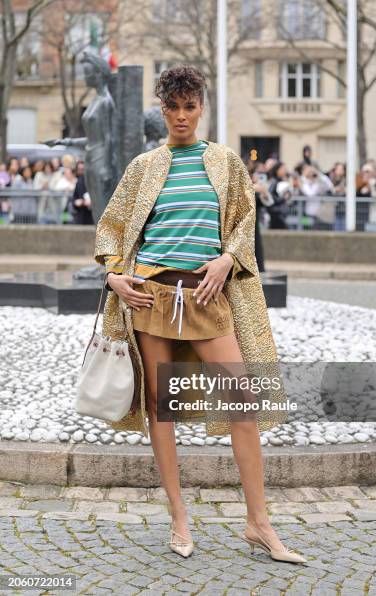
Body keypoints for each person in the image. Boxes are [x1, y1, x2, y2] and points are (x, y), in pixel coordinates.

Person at [94, 64, 306, 564]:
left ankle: (259, 523)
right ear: (162, 109)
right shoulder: (143, 166)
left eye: (191, 107)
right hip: (151, 296)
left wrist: (229, 258)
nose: (182, 116)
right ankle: (179, 516)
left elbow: (242, 222)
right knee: (161, 409)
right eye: (173, 107)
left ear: (201, 108)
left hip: (207, 298)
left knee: (243, 407)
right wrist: (114, 275)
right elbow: (112, 229)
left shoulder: (225, 161)